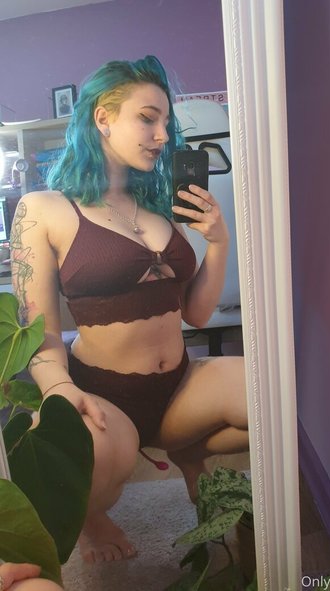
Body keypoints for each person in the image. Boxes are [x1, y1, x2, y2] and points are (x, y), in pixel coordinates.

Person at [10, 56, 248, 564]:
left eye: (166, 122)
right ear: (103, 117)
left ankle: (188, 448)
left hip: (178, 386)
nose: (162, 135)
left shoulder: (161, 205)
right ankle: (93, 519)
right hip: (106, 394)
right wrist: (58, 388)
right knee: (81, 468)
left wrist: (219, 242)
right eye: (147, 118)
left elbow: (196, 314)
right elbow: (34, 326)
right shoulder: (44, 208)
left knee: (272, 395)